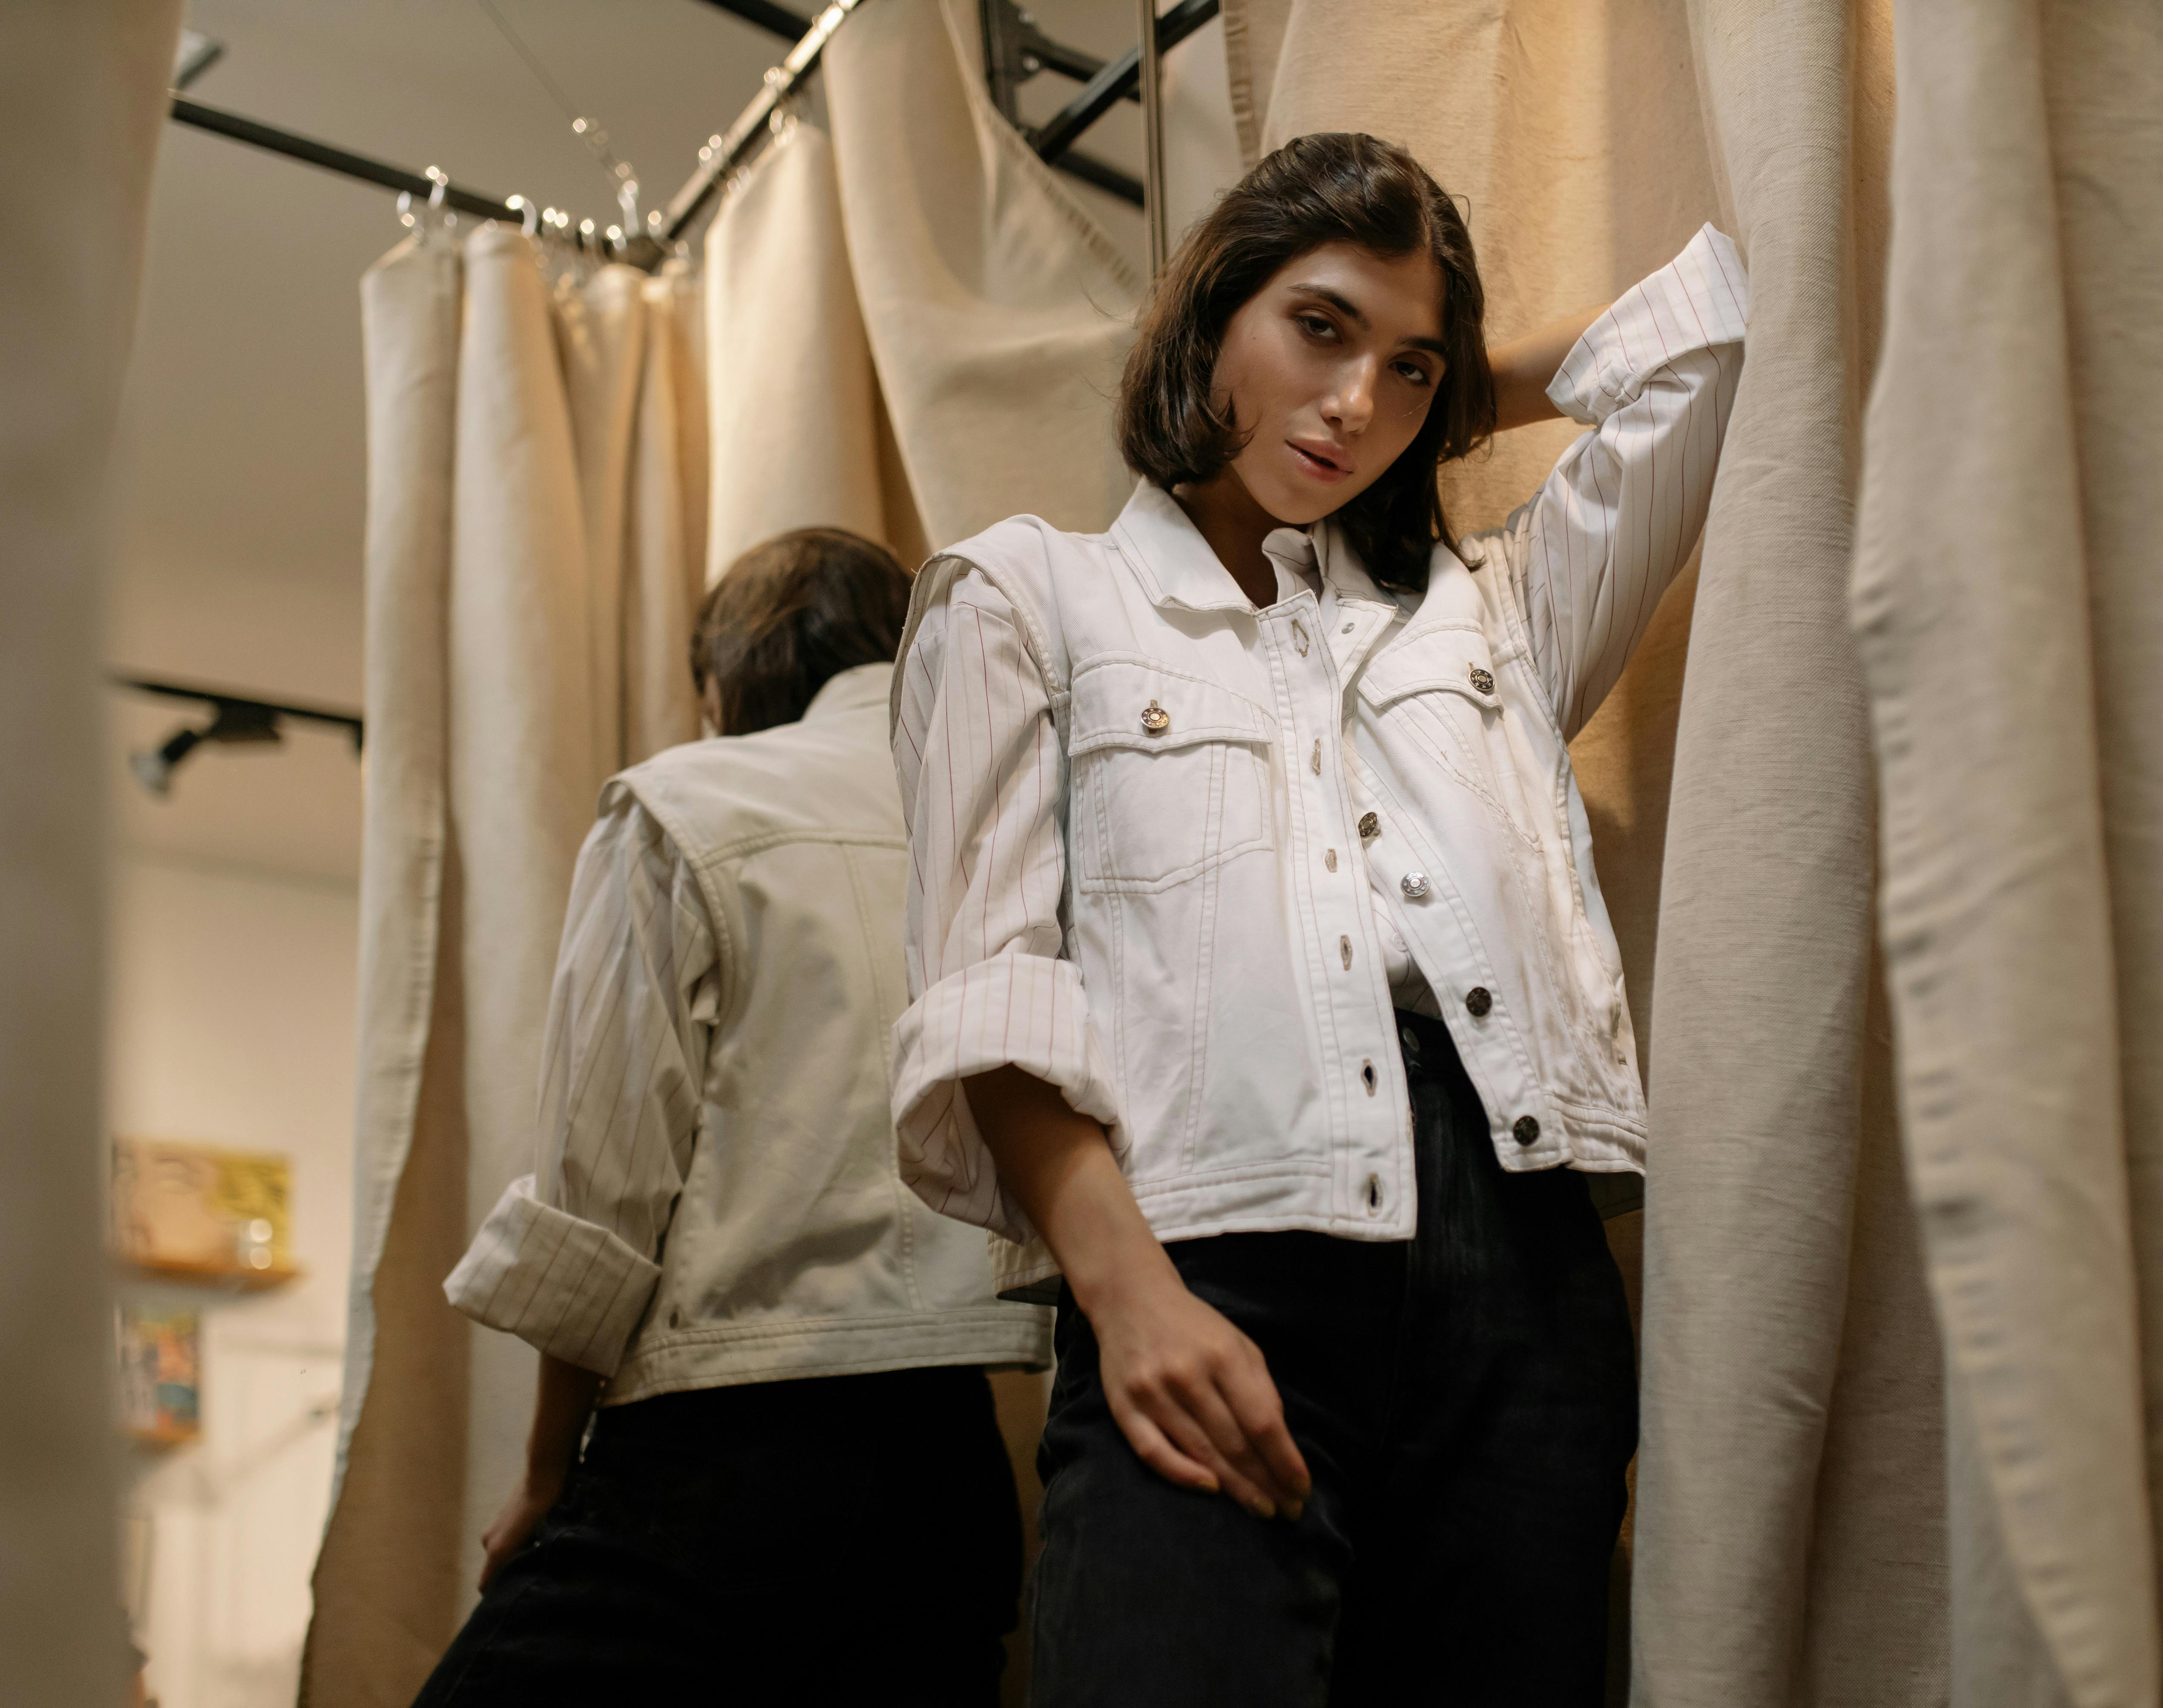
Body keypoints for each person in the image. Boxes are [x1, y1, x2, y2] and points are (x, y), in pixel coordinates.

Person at [891, 134, 1748, 1704]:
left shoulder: (1490, 610)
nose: (1360, 404)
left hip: (1524, 1271)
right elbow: (991, 994)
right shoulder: (1028, 598)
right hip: (1211, 1250)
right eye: (1321, 326)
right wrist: (1128, 1294)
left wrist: (1448, 384)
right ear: (1213, 308)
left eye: (1411, 368)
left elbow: (1713, 340)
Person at [416, 528, 1054, 1706]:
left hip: (722, 1442)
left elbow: (600, 1193)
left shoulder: (684, 807)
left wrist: (549, 1475)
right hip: (956, 1471)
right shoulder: (1016, 823)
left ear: (732, 680)